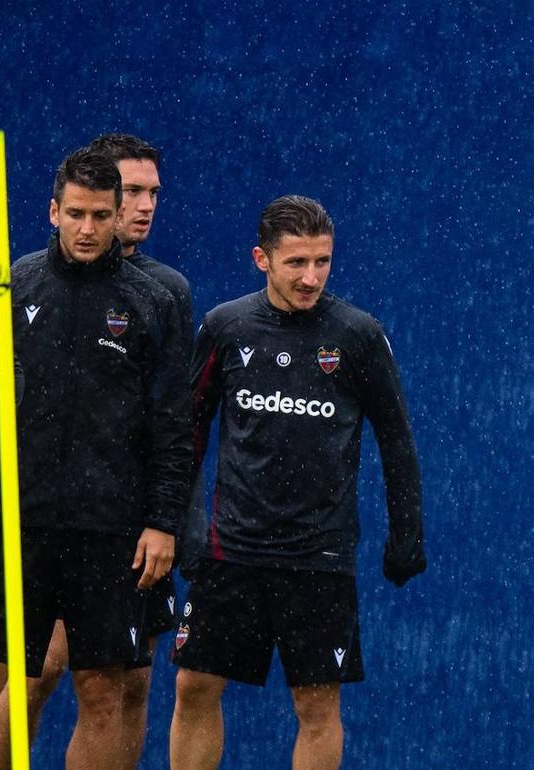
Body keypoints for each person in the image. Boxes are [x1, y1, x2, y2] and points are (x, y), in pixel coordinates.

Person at [0, 147, 193, 770]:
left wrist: (164, 521)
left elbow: (174, 425)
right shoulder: (12, 284)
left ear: (119, 218)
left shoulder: (156, 300)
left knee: (102, 693)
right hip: (20, 522)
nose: (88, 229)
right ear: (53, 211)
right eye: (77, 214)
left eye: (101, 215)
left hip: (110, 531)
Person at [169, 195, 425, 770]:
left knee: (315, 704)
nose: (311, 277)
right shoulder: (226, 325)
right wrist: (179, 523)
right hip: (232, 550)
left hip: (319, 555)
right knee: (194, 687)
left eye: (323, 262)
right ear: (262, 258)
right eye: (296, 263)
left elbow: (397, 439)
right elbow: (186, 431)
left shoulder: (357, 334)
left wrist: (407, 532)